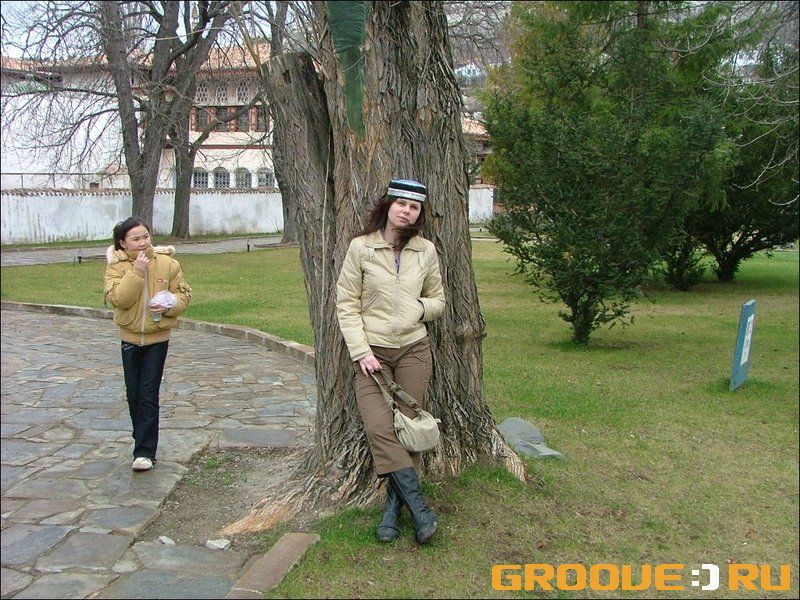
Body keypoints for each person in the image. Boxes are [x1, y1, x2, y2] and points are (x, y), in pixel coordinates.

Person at [336, 178, 446, 544]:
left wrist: (418, 309)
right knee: (380, 428)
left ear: (419, 214)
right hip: (373, 355)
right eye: (401, 203)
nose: (406, 211)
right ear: (388, 205)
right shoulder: (361, 248)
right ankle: (420, 510)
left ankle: (391, 511)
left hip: (414, 350)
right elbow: (346, 304)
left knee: (409, 428)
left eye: (414, 207)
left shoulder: (425, 251)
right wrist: (362, 351)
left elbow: (438, 300)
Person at [104, 217, 192, 472]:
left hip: (157, 339)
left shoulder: (168, 264)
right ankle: (141, 435)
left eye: (145, 236)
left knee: (148, 394)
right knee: (134, 394)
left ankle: (144, 452)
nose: (143, 242)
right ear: (123, 243)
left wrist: (169, 304)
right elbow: (119, 299)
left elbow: (184, 295)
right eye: (136, 239)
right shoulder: (115, 266)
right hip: (130, 339)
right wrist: (137, 272)